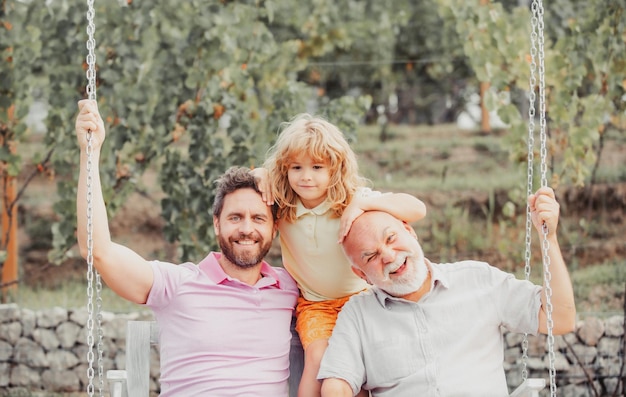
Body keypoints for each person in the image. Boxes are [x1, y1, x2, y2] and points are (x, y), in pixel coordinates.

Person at [75, 99, 299, 397]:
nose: (247, 229)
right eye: (235, 217)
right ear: (217, 223)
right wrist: (90, 153)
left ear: (275, 227)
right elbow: (98, 250)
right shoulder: (178, 284)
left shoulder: (290, 286)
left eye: (258, 218)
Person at [318, 187, 576, 397]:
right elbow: (336, 383)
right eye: (371, 256)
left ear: (410, 231)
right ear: (362, 275)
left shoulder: (478, 279)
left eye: (391, 238)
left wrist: (548, 238)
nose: (388, 256)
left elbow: (560, 319)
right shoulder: (358, 314)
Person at [252, 114, 427, 397]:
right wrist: (259, 174)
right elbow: (251, 185)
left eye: (317, 167)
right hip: (315, 304)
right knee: (318, 360)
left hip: (361, 300)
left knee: (354, 368)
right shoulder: (283, 206)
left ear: (335, 168)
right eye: (296, 167)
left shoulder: (350, 200)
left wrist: (365, 203)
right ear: (284, 169)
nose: (306, 176)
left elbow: (417, 208)